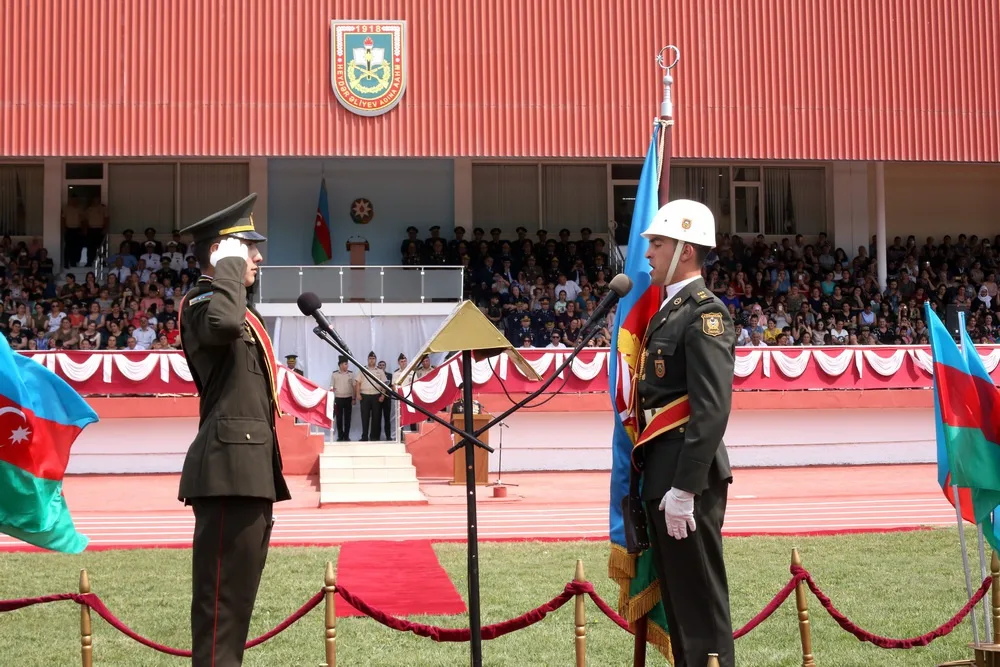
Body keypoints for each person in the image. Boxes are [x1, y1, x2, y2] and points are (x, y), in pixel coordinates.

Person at [176, 192, 291, 667]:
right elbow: (223, 323)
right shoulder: (206, 302)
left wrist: (231, 268)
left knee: (235, 607)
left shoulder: (231, 303)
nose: (259, 257)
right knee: (220, 607)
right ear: (222, 252)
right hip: (227, 470)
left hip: (247, 471)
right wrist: (226, 266)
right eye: (249, 247)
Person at [635, 199, 736, 667]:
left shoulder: (703, 313)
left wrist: (684, 488)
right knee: (680, 601)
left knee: (699, 597)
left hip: (685, 479)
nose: (648, 254)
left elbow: (711, 410)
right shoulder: (667, 312)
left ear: (687, 250)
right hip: (663, 473)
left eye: (657, 243)